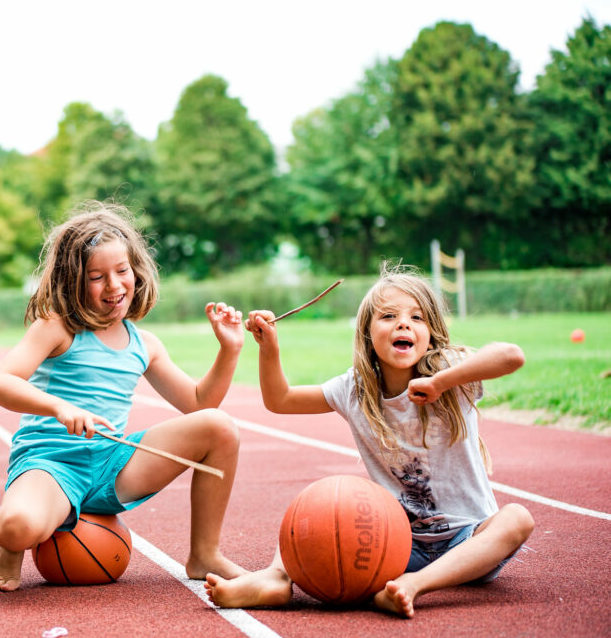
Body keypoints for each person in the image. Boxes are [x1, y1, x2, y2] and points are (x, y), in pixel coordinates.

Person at [205, 263, 534, 618]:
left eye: (417, 318)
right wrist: (269, 346)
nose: (403, 324)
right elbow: (280, 400)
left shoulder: (450, 370)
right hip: (397, 544)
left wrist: (442, 382)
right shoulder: (355, 389)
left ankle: (414, 586)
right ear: (367, 333)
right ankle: (275, 577)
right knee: (325, 503)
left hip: (471, 544)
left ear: (432, 332)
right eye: (389, 316)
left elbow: (512, 356)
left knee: (517, 518)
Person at [0, 202, 248, 592]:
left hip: (114, 466)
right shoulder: (57, 326)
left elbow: (199, 404)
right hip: (53, 464)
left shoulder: (146, 344)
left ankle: (204, 554)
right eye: (96, 276)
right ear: (73, 280)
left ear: (136, 271)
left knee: (219, 427)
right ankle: (12, 534)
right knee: (17, 527)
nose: (114, 285)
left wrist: (229, 350)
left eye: (122, 271)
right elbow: (0, 384)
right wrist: (59, 406)